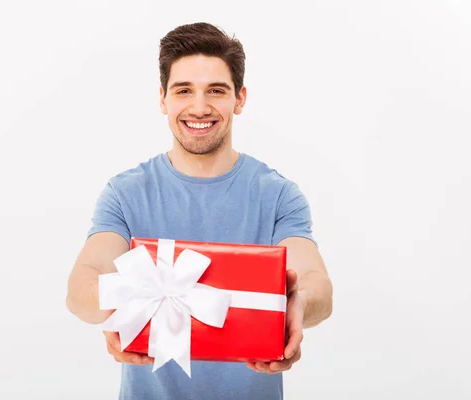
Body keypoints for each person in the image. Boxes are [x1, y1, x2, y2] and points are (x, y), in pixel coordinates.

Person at [66, 22, 333, 400]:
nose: (199, 107)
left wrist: (299, 304)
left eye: (216, 91)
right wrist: (118, 307)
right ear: (163, 99)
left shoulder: (277, 195)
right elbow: (81, 285)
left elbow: (315, 281)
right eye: (184, 91)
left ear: (239, 99)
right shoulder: (126, 193)